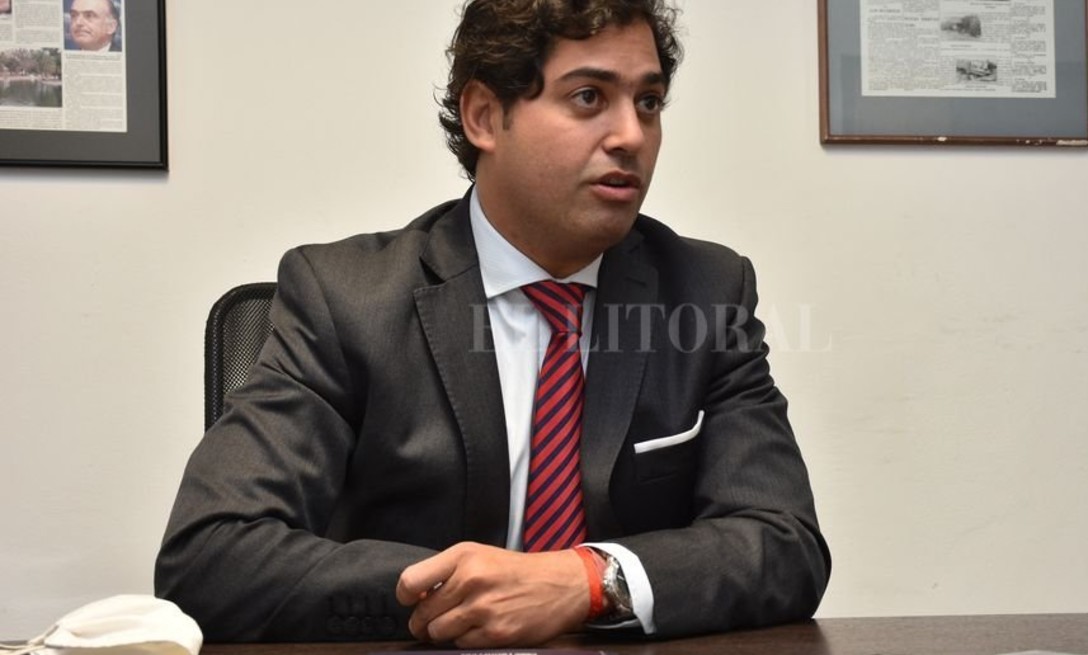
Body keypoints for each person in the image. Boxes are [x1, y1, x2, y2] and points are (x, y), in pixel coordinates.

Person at [155, 0, 830, 648]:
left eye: (648, 102)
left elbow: (784, 542)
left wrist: (588, 581)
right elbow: (210, 554)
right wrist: (460, 595)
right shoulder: (347, 299)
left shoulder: (705, 295)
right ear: (483, 115)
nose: (631, 135)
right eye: (588, 96)